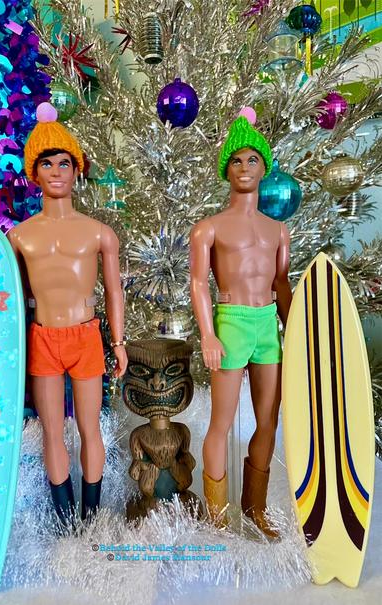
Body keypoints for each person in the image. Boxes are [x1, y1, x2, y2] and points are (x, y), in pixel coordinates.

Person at [8, 102, 127, 528]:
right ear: (34, 172)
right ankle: (64, 519)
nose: (56, 171)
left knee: (90, 427)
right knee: (53, 430)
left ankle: (91, 514)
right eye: (47, 163)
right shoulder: (18, 237)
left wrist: (118, 343)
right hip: (42, 337)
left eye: (64, 163)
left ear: (77, 170)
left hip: (85, 335)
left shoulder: (99, 233)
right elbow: (12, 298)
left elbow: (113, 290)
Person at [189, 108, 292, 537]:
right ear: (225, 169)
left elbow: (281, 283)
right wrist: (208, 334)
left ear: (265, 167)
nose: (245, 166)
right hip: (231, 321)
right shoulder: (209, 228)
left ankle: (256, 509)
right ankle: (217, 518)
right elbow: (198, 282)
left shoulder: (278, 230)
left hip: (267, 325)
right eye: (236, 160)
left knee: (268, 420)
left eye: (252, 159)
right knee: (221, 422)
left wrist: (296, 331)